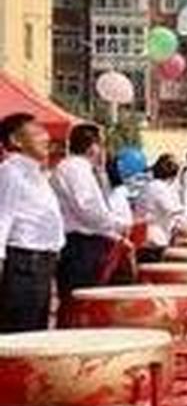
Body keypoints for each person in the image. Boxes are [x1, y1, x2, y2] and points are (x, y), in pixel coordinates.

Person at [50, 122, 131, 299]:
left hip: (87, 242)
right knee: (81, 301)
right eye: (102, 144)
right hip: (81, 246)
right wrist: (118, 225)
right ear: (93, 147)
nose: (104, 150)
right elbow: (89, 210)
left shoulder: (81, 169)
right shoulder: (75, 169)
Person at [0, 113, 63, 332]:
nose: (46, 137)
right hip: (24, 261)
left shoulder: (35, 173)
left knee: (36, 330)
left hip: (41, 261)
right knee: (20, 331)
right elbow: (3, 217)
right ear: (16, 140)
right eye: (36, 132)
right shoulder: (11, 172)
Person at [136, 154, 187, 260]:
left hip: (150, 238)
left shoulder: (154, 186)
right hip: (153, 242)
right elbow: (176, 215)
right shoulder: (159, 189)